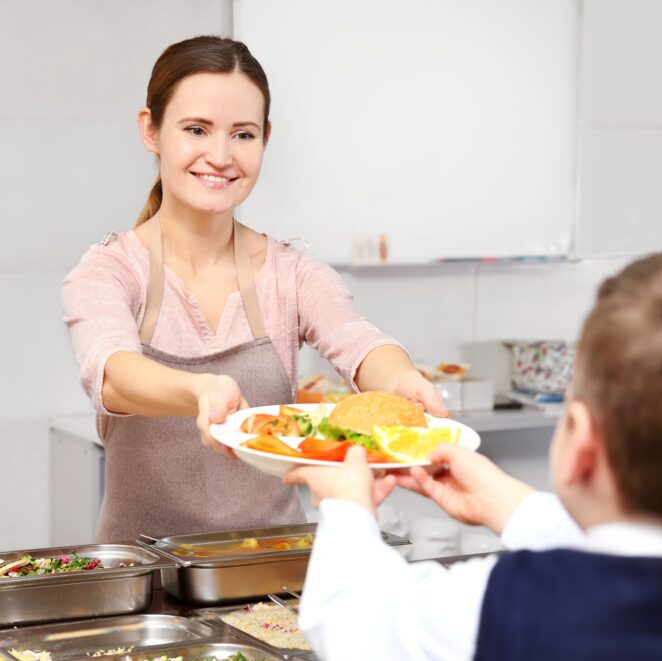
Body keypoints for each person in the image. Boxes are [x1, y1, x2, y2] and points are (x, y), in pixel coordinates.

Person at [285, 248, 662, 661]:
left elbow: (348, 620)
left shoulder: (508, 612)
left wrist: (346, 505)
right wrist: (514, 508)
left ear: (579, 442)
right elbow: (646, 566)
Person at [62, 36, 444, 542]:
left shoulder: (293, 273)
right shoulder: (110, 270)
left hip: (270, 572)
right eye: (196, 129)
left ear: (265, 138)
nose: (220, 156)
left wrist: (400, 381)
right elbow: (111, 373)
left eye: (242, 135)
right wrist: (198, 388)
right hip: (147, 578)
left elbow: (356, 340)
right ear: (150, 131)